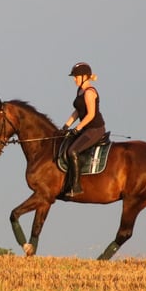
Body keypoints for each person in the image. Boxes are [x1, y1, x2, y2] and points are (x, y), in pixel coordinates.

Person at [60, 62, 107, 197]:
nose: (74, 79)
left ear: (84, 77)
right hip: (85, 129)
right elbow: (78, 111)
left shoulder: (89, 93)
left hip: (95, 129)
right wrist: (66, 126)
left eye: (76, 77)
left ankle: (76, 186)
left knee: (72, 151)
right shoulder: (80, 90)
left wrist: (77, 128)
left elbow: (91, 115)